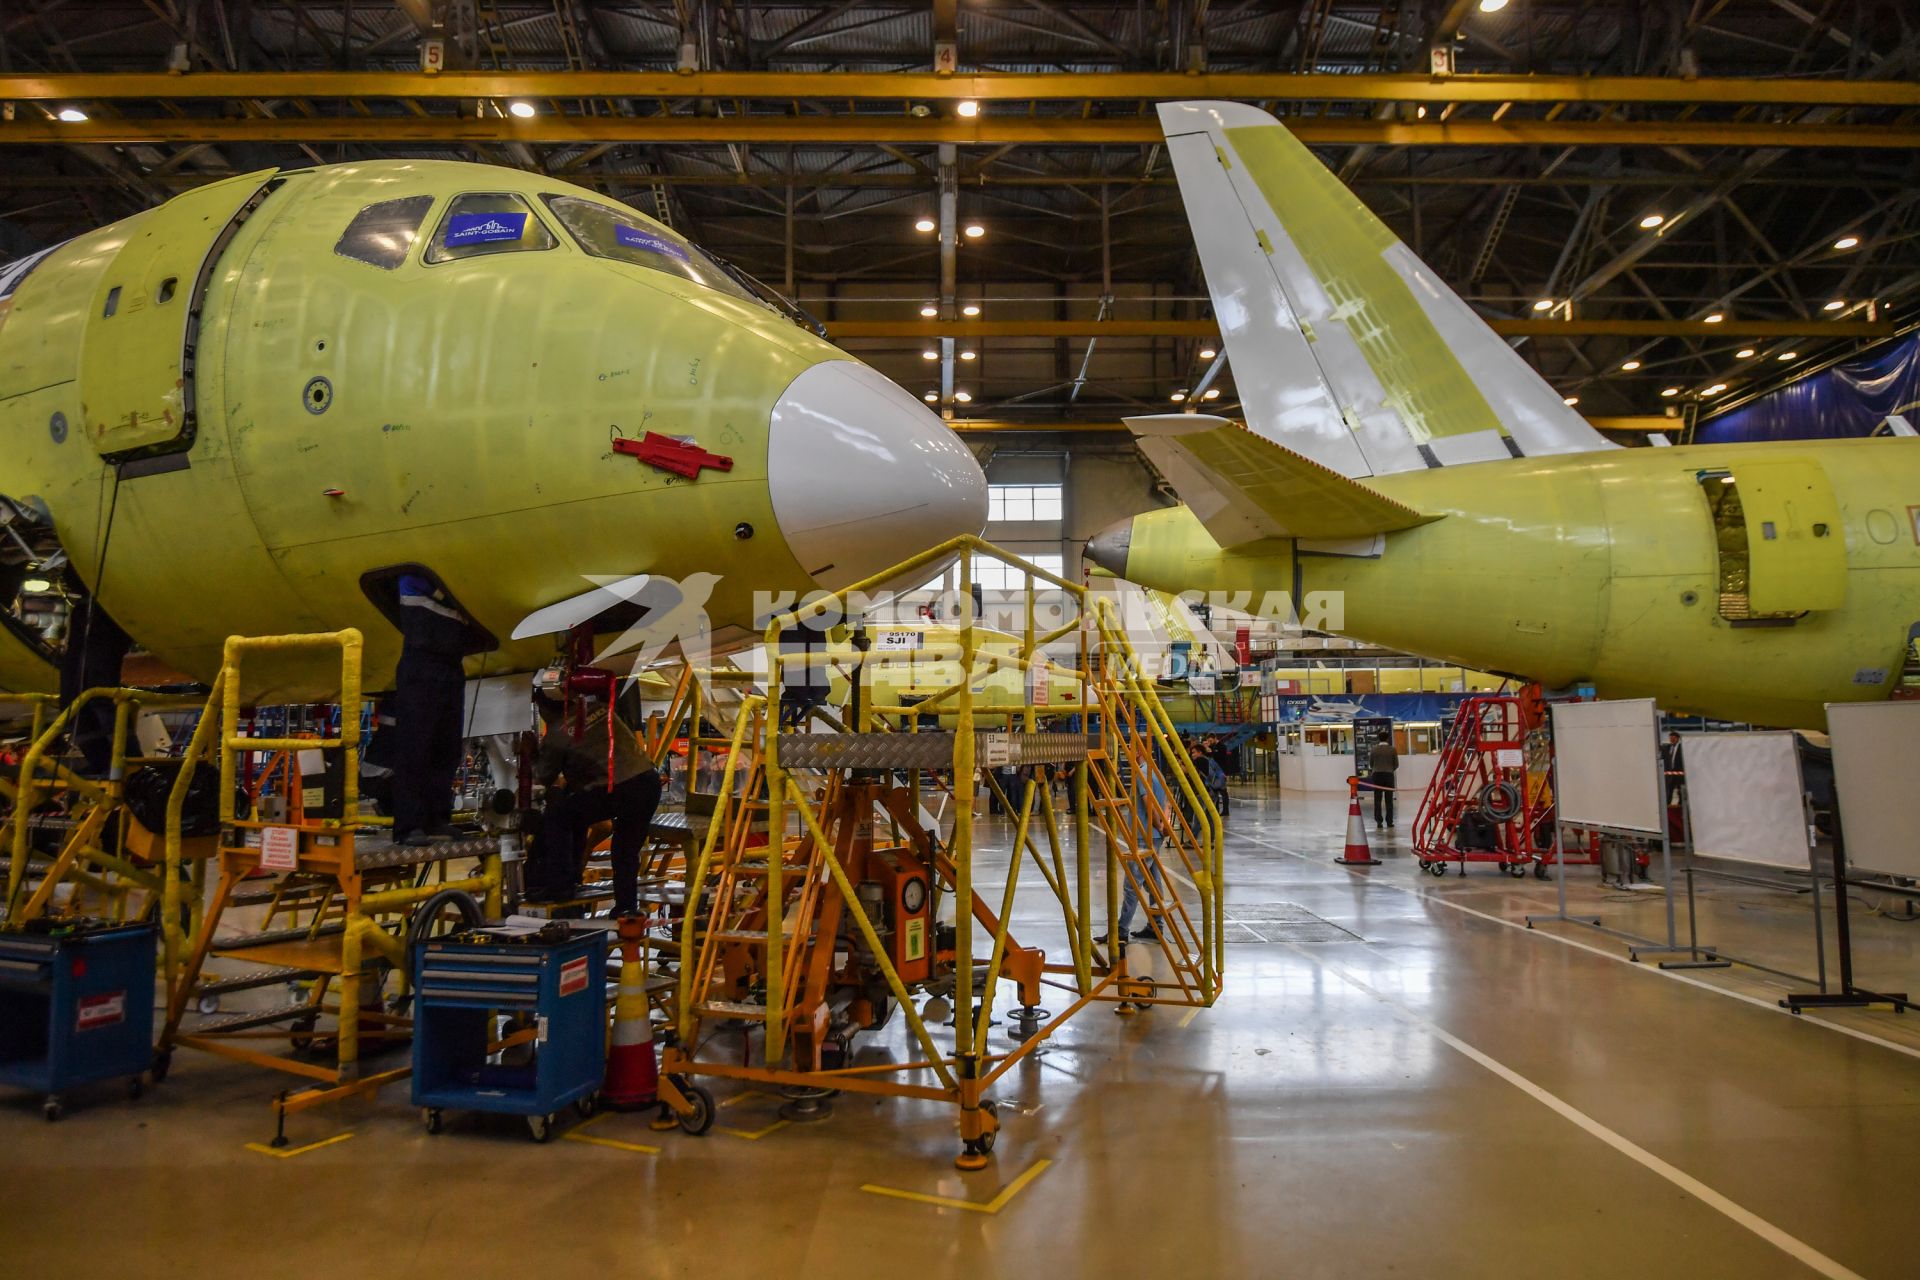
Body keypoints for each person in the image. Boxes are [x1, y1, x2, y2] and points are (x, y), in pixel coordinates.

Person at [528, 689, 661, 917]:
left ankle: (560, 885)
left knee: (558, 817)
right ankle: (626, 908)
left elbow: (543, 777)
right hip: (648, 781)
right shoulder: (599, 709)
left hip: (621, 787)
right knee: (625, 850)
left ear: (544, 709)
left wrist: (531, 753)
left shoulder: (558, 733)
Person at [389, 573, 472, 846]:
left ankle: (437, 818)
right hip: (421, 664)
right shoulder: (416, 578)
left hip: (451, 666)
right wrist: (452, 592)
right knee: (415, 746)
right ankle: (408, 825)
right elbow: (413, 586)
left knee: (446, 747)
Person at [1368, 732, 1399, 830]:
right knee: (1389, 800)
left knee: (1377, 799)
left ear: (1378, 739)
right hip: (1389, 775)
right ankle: (1389, 822)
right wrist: (1389, 769)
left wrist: (1376, 769)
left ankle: (1379, 822)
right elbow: (1396, 764)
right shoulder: (1392, 750)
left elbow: (1371, 764)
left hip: (1377, 775)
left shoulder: (1374, 749)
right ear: (1387, 739)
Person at [1662, 731, 1687, 807]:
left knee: (1680, 790)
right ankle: (1667, 805)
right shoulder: (1666, 748)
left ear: (1678, 739)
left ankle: (1681, 805)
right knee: (1669, 789)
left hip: (1679, 772)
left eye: (1673, 738)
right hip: (1669, 773)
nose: (1672, 740)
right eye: (1670, 738)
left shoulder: (1682, 748)